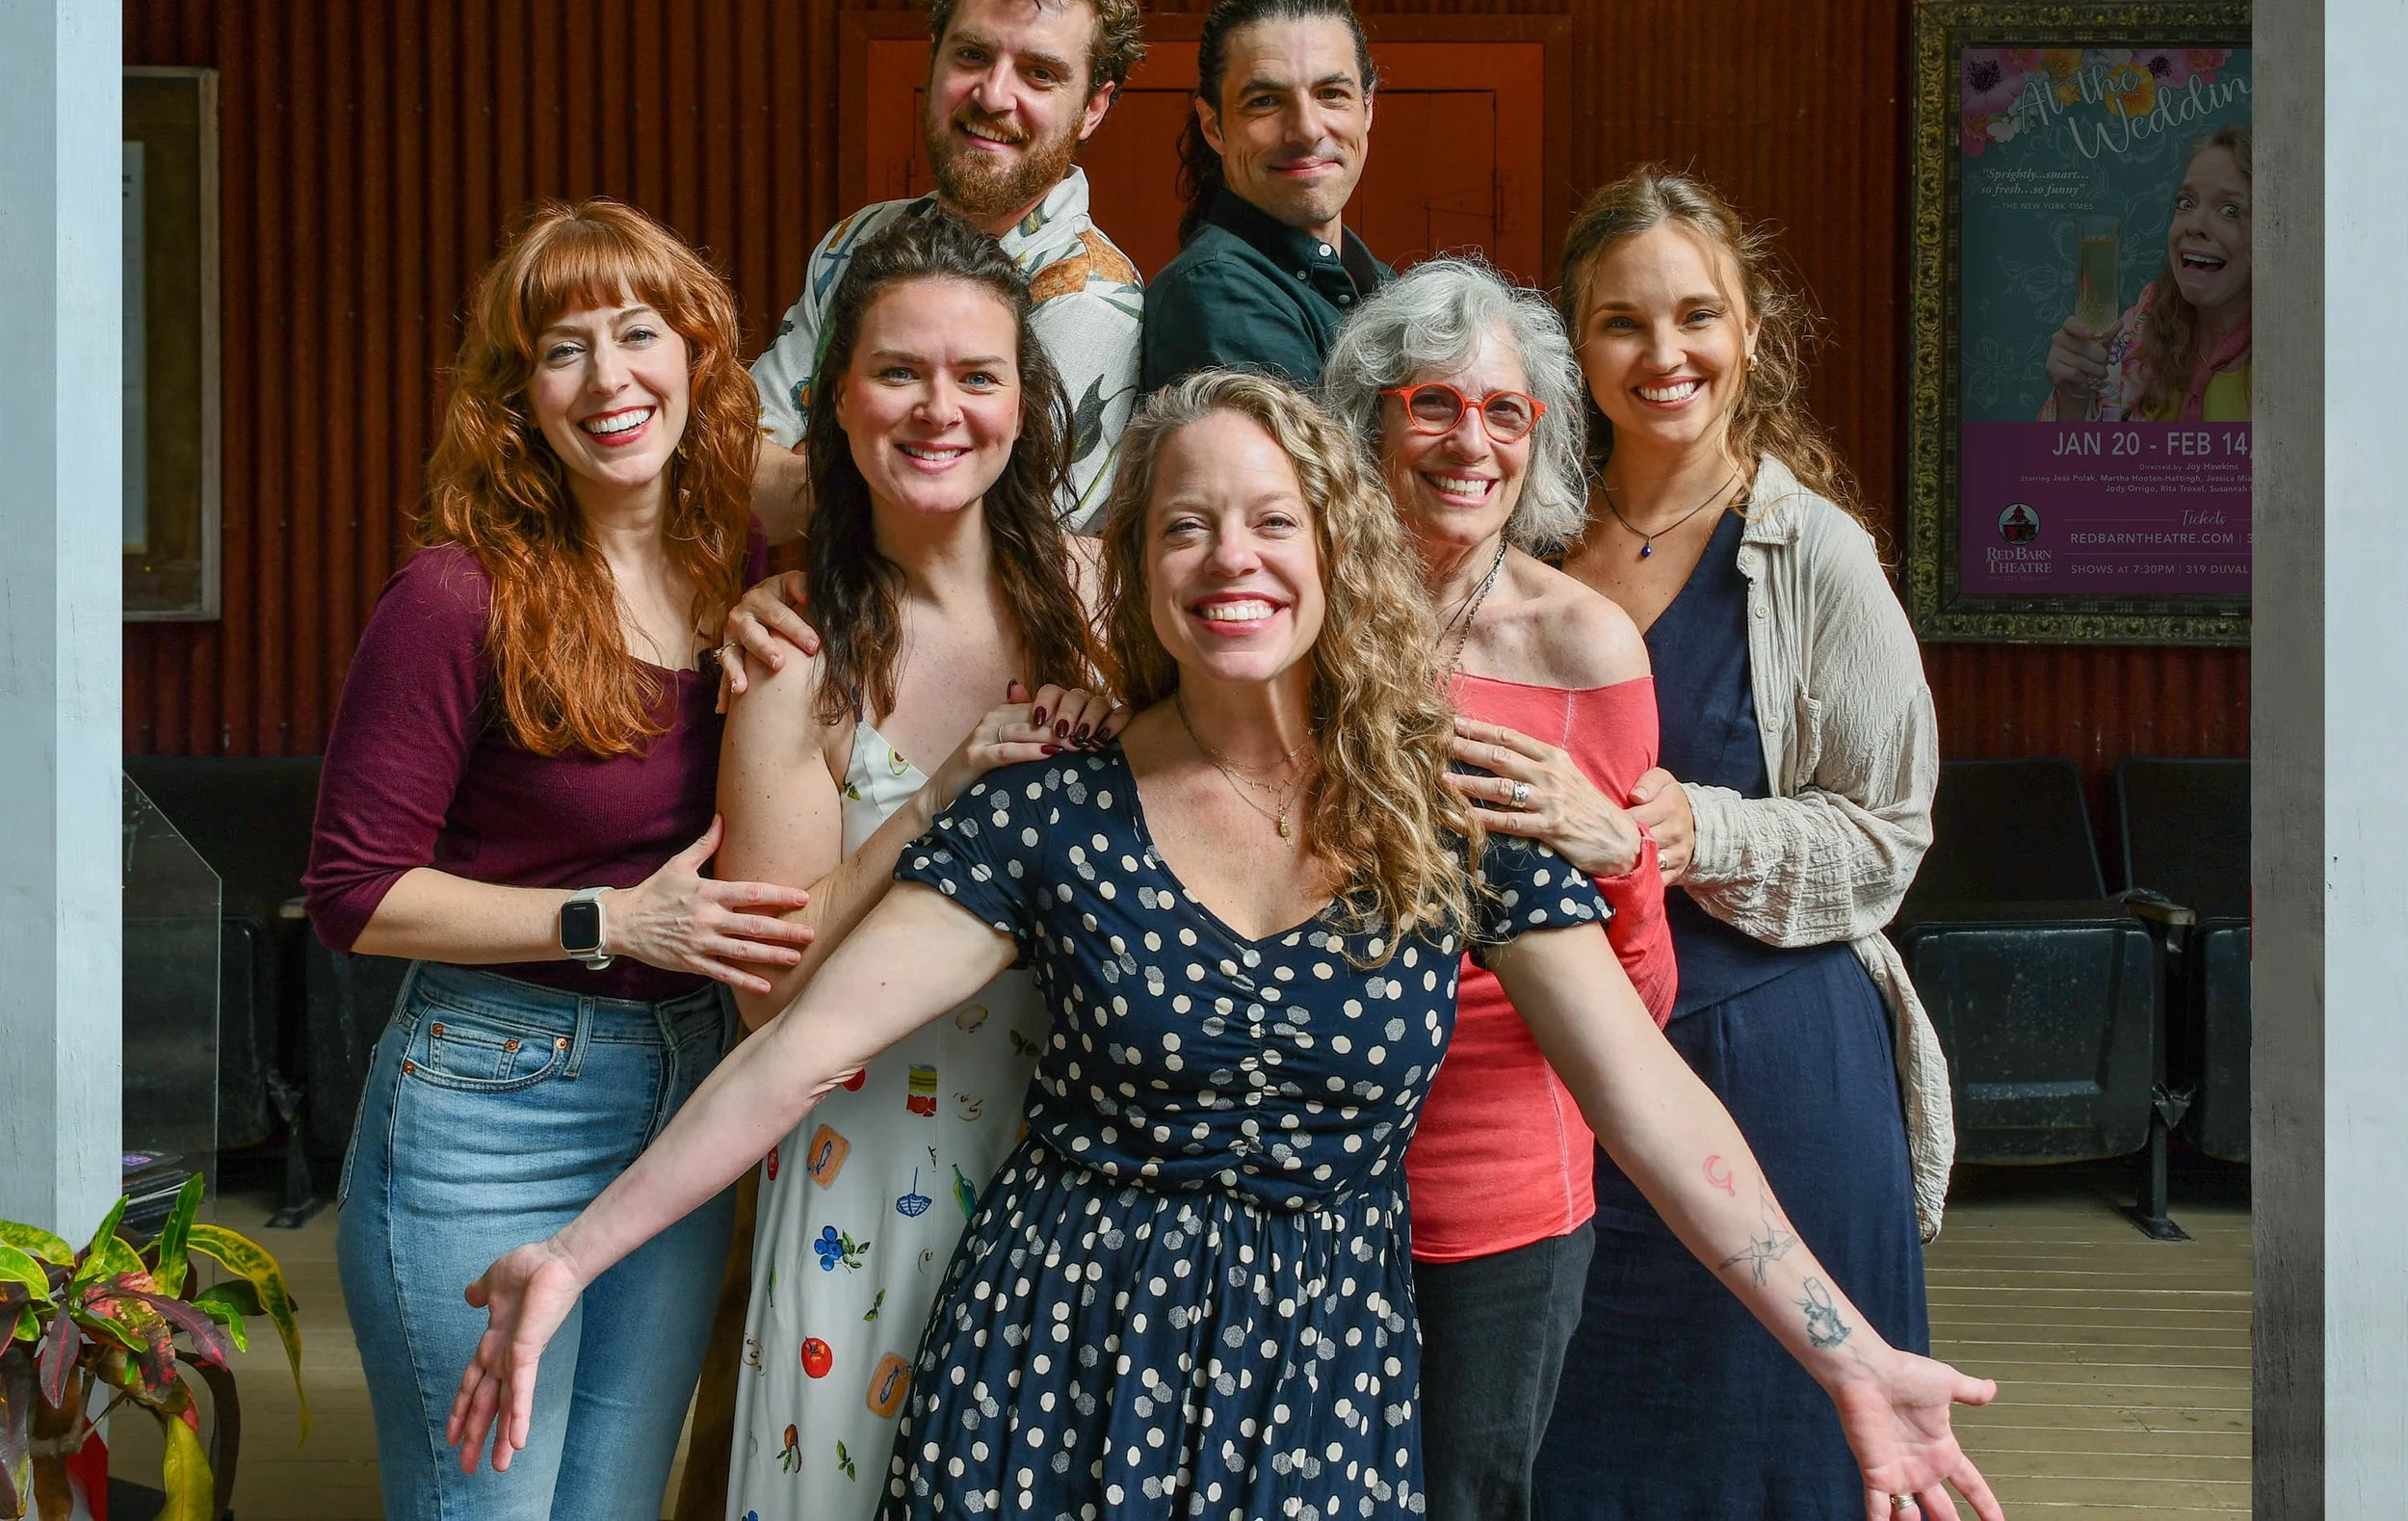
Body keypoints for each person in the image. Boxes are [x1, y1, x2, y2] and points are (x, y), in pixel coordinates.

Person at [446, 370, 2004, 1521]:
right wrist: (576, 1250)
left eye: (1268, 519)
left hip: (1318, 1373)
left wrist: (1850, 1352)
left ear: (1335, 552)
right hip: (1045, 1362)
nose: (1227, 554)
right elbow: (794, 1056)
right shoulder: (1054, 808)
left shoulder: (1445, 807)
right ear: (1139, 571)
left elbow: (1652, 1105)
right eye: (1182, 524)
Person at [302, 199, 809, 1521]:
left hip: (687, 1092)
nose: (609, 378)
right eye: (562, 350)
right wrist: (612, 922)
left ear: (699, 359)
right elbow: (356, 893)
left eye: (640, 334)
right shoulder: (457, 595)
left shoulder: (742, 567)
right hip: (492, 1100)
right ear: (518, 396)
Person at [1533, 165, 1956, 1520]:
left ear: (1751, 334)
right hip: (1560, 1068)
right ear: (1575, 341)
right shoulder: (1526, 539)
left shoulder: (1813, 554)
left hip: (1771, 1058)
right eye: (1622, 322)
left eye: (1697, 316)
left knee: (1772, 1460)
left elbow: (1890, 835)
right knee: (1581, 1444)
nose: (1665, 355)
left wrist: (1692, 825)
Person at [715, 210, 1121, 1521]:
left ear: (1023, 401)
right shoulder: (796, 657)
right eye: (898, 372)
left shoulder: (1116, 604)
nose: (937, 409)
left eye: (976, 375)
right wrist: (941, 794)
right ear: (836, 400)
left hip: (1093, 1157)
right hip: (873, 1171)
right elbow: (765, 993)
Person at [1321, 257, 1679, 1521]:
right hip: (1296, 1159)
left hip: (1500, 1171)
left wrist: (1621, 858)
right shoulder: (1291, 617)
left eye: (1505, 411)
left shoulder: (1586, 646)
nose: (1469, 440)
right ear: (1367, 417)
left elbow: (1640, 1003)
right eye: (1431, 403)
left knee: (1470, 1494)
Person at [750, 0, 1147, 537]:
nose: (993, 95)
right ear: (933, 58)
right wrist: (866, 498)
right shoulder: (857, 240)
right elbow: (731, 452)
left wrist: (810, 483)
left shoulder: (1091, 298)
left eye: (1039, 73)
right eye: (972, 54)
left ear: (1093, 107)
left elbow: (985, 548)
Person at [1139, 0, 1391, 392]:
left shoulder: (1381, 283)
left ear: (1367, 109)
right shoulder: (1216, 293)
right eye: (1266, 101)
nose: (1307, 130)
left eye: (1331, 93)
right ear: (1214, 126)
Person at [2042, 124, 2252, 423]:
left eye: (2230, 210)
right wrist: (2073, 397)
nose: (2194, 225)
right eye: (2186, 203)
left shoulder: (2309, 360)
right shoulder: (2143, 323)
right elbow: (2073, 466)